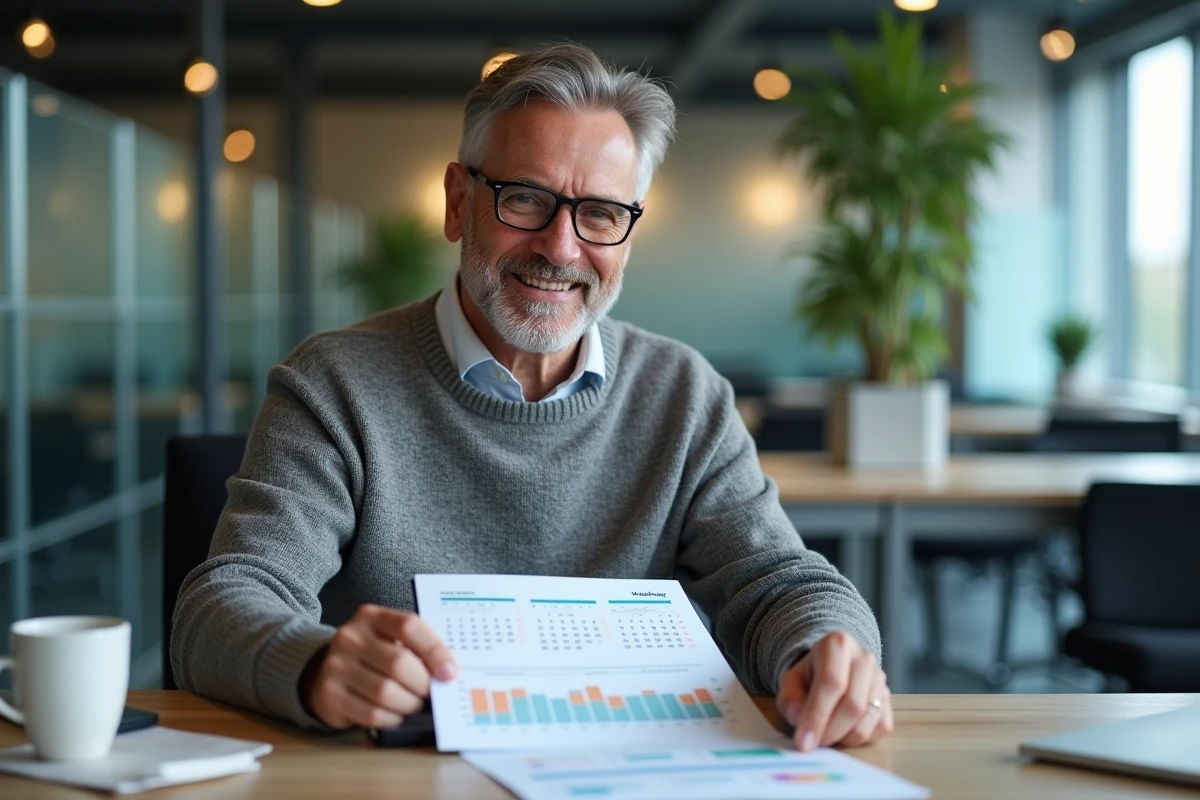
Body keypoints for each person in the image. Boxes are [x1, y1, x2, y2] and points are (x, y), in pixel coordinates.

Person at [172, 42, 892, 752]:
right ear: (459, 202)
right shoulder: (334, 384)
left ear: (629, 230)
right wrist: (314, 666)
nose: (561, 248)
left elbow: (779, 582)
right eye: (525, 199)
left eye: (600, 213)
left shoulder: (685, 394)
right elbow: (220, 606)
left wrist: (824, 650)